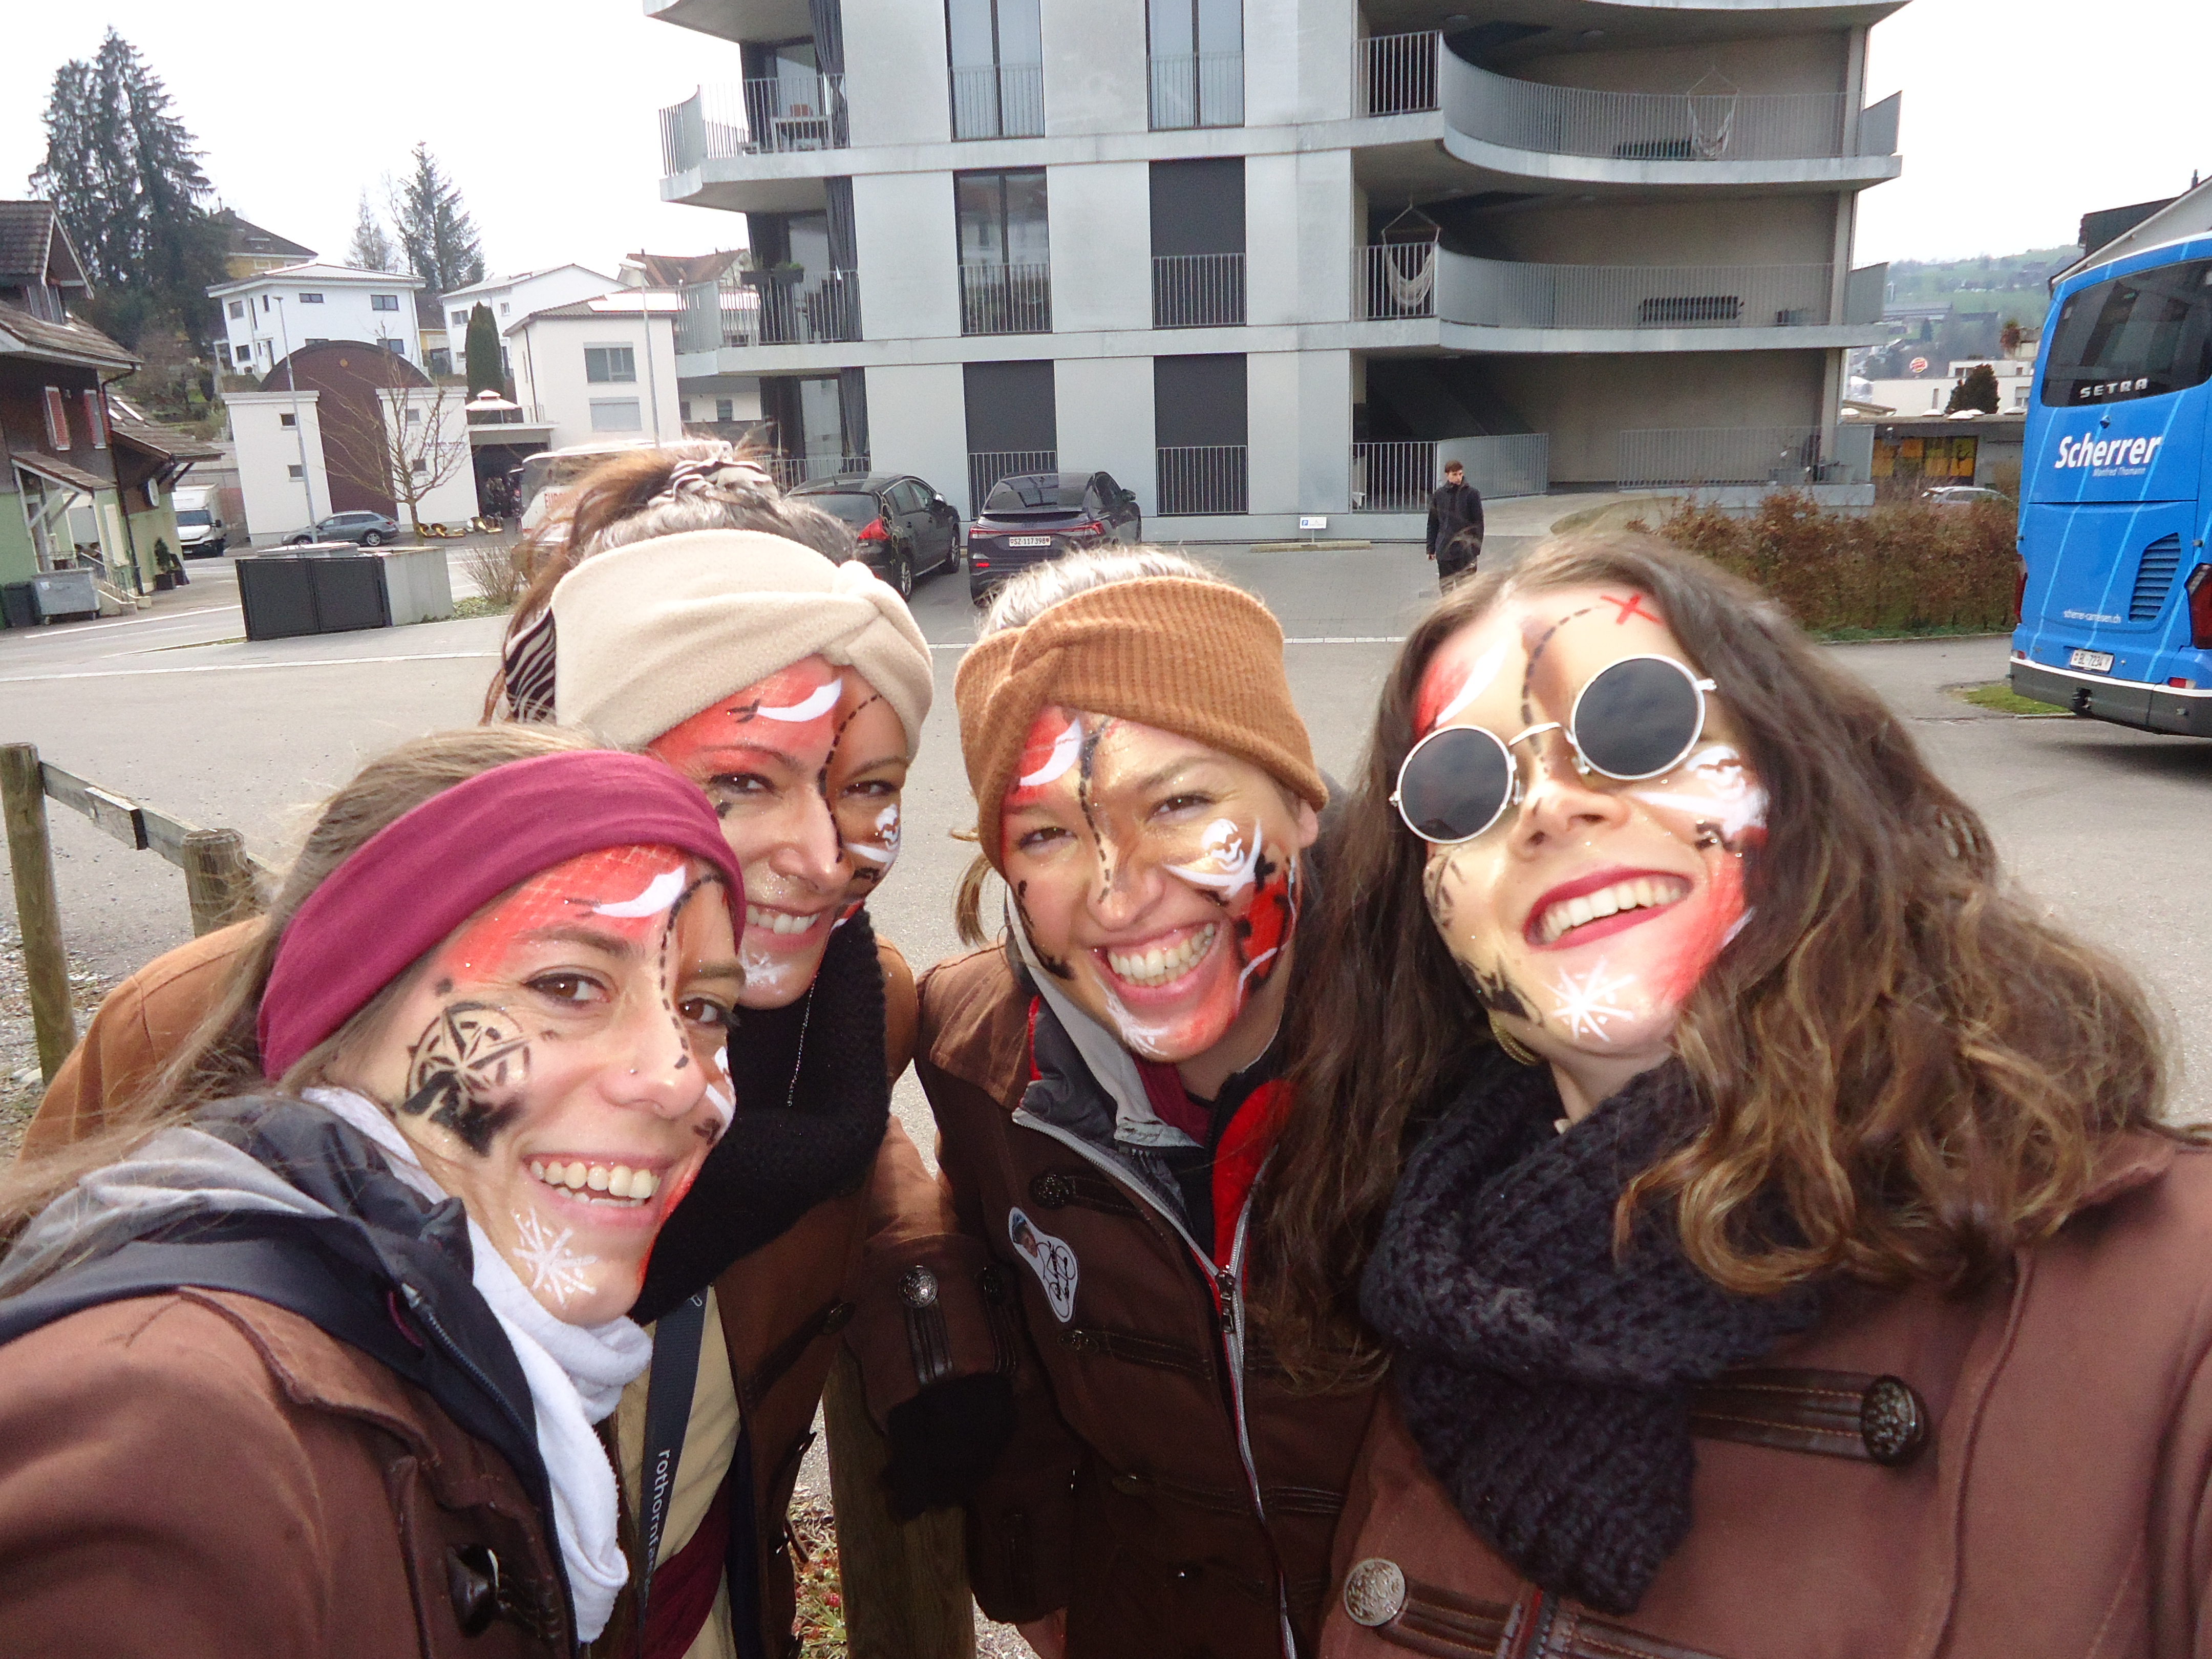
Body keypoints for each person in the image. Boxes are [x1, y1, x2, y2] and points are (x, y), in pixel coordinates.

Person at [17, 441, 996, 1659]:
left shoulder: (855, 1013)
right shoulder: (196, 1020)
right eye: (741, 781)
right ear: (567, 761)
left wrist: (927, 1297)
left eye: (871, 786)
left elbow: (856, 1151)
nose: (822, 852)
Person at [1248, 531, 2212, 1654]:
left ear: (1804, 773)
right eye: (1462, 788)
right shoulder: (1427, 1264)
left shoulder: (2169, 1304)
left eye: (1635, 725)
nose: (1550, 806)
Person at [0, 735, 770, 1656]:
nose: (682, 1081)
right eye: (568, 985)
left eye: (705, 1009)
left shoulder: (493, 1356)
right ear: (350, 1002)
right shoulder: (172, 1430)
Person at [912, 548, 1378, 1659]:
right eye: (1046, 834)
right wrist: (1040, 1584)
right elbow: (1013, 1326)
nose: (1120, 896)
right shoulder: (982, 1060)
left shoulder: (1469, 1026)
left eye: (1178, 802)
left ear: (1298, 798)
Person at [1423, 459, 1483, 590]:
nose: (1458, 478)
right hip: (1445, 550)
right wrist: (1431, 548)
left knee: (1466, 590)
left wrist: (1475, 549)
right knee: (1447, 589)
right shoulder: (1439, 495)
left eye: (1460, 474)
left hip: (1465, 551)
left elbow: (1478, 524)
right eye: (1455, 474)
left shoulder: (1472, 494)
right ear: (1447, 475)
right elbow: (1433, 523)